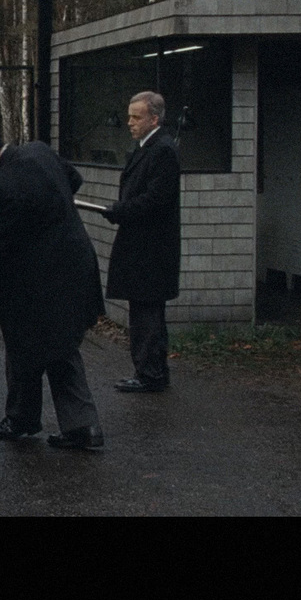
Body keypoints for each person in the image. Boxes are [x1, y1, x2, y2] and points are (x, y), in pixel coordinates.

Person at [0, 118, 105, 450]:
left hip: (37, 280)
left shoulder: (2, 187)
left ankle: (37, 420)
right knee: (56, 346)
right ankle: (71, 424)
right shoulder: (39, 151)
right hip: (75, 264)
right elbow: (74, 178)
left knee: (29, 347)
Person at [103, 90, 181, 393]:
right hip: (144, 245)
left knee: (147, 313)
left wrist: (120, 210)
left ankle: (150, 372)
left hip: (151, 248)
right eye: (130, 116)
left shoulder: (161, 151)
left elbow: (155, 200)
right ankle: (151, 370)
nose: (130, 122)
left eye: (137, 117)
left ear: (154, 118)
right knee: (145, 311)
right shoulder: (149, 148)